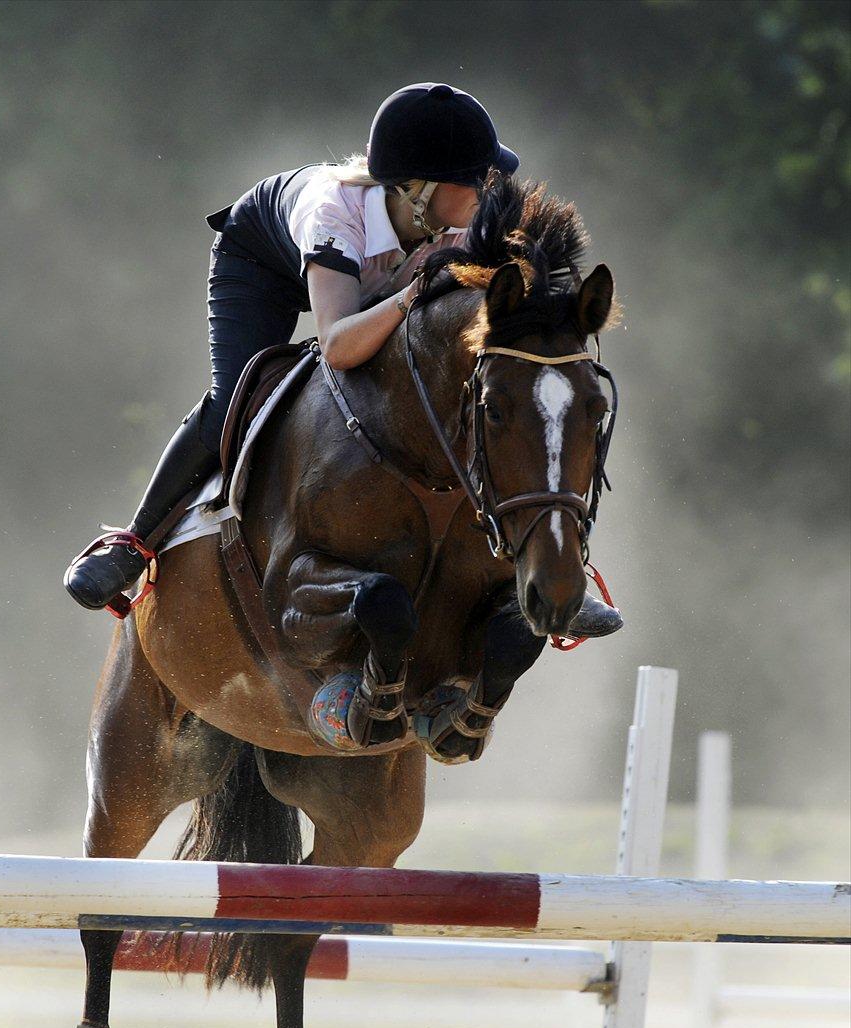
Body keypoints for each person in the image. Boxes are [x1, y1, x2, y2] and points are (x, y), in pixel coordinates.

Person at [63, 82, 622, 639]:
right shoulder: (334, 213)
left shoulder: (467, 219)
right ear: (417, 188)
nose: (487, 189)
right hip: (264, 263)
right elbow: (337, 343)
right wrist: (406, 299)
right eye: (472, 180)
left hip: (370, 282)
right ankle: (135, 541)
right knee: (232, 397)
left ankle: (549, 564)